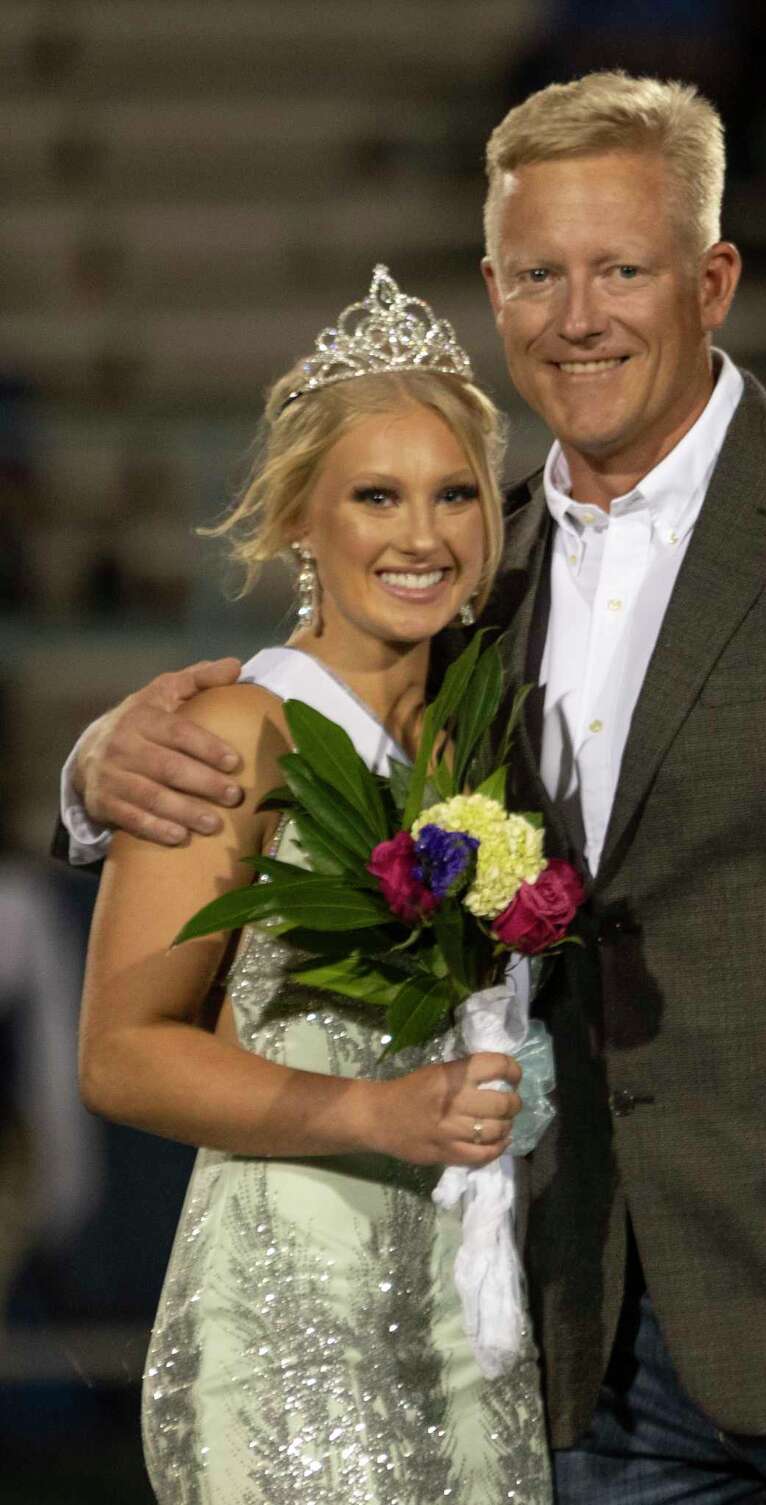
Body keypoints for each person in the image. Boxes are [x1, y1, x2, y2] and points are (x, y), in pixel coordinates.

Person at [62, 74, 766, 1505]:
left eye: (623, 267)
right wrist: (96, 760)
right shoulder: (467, 577)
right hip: (574, 1345)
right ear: (495, 289)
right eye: (541, 275)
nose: (580, 316)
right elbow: (288, 730)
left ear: (715, 277)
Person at [75, 269, 553, 1504]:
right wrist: (375, 1115)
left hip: (475, 1325)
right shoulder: (238, 730)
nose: (423, 535)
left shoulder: (485, 741)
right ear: (300, 519)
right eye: (376, 496)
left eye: (455, 494)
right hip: (290, 1318)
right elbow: (121, 1052)